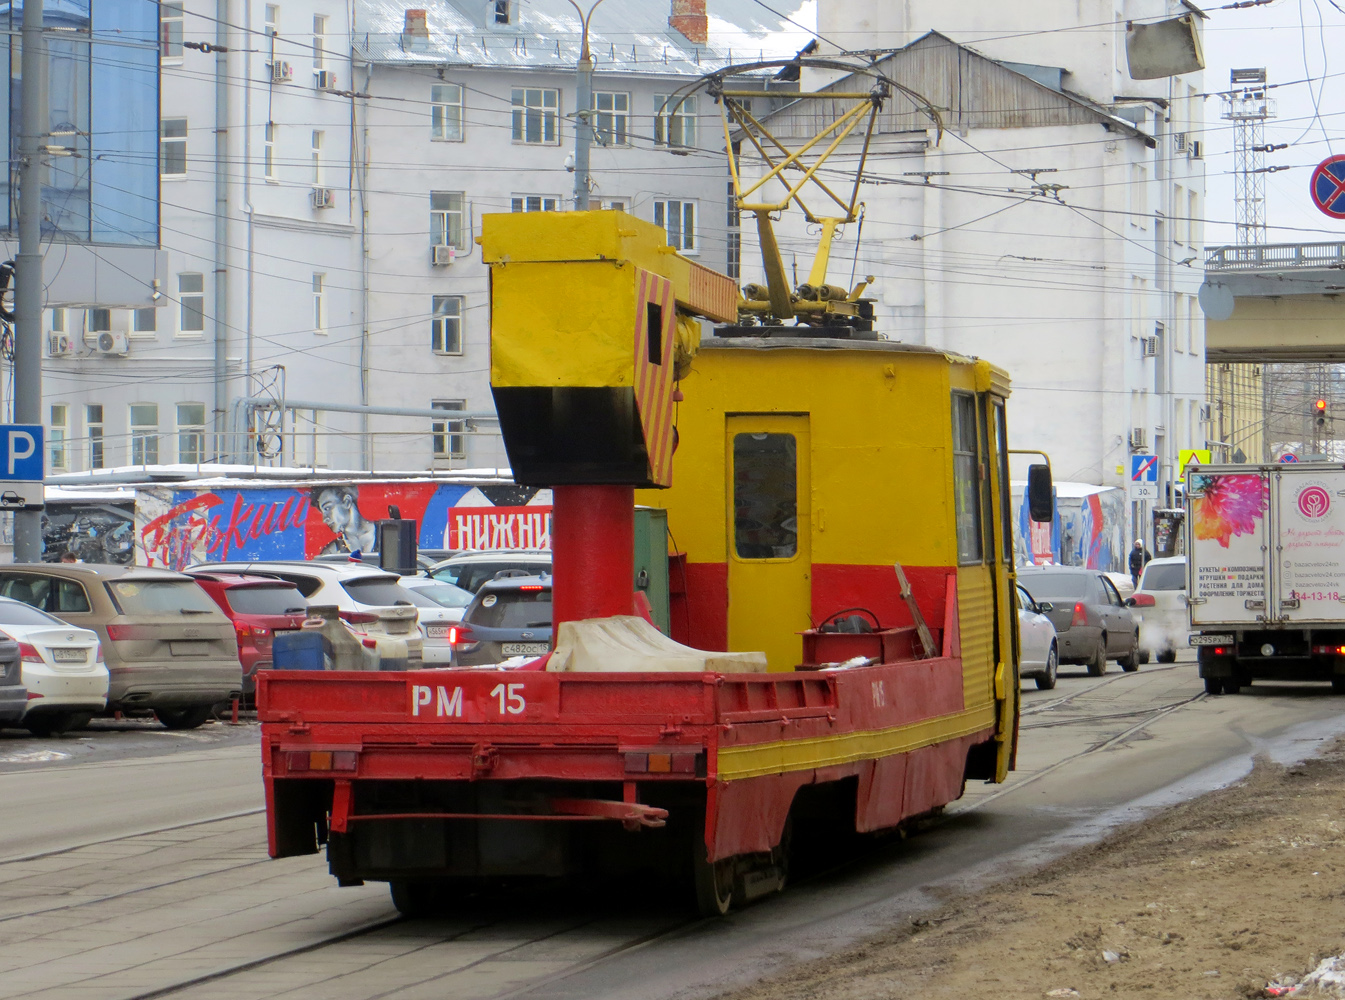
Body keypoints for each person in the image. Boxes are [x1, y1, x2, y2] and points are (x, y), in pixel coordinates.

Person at [312, 486, 378, 555]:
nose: (324, 519)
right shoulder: (331, 552)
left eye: (327, 508)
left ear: (347, 502)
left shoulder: (386, 533)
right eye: (322, 512)